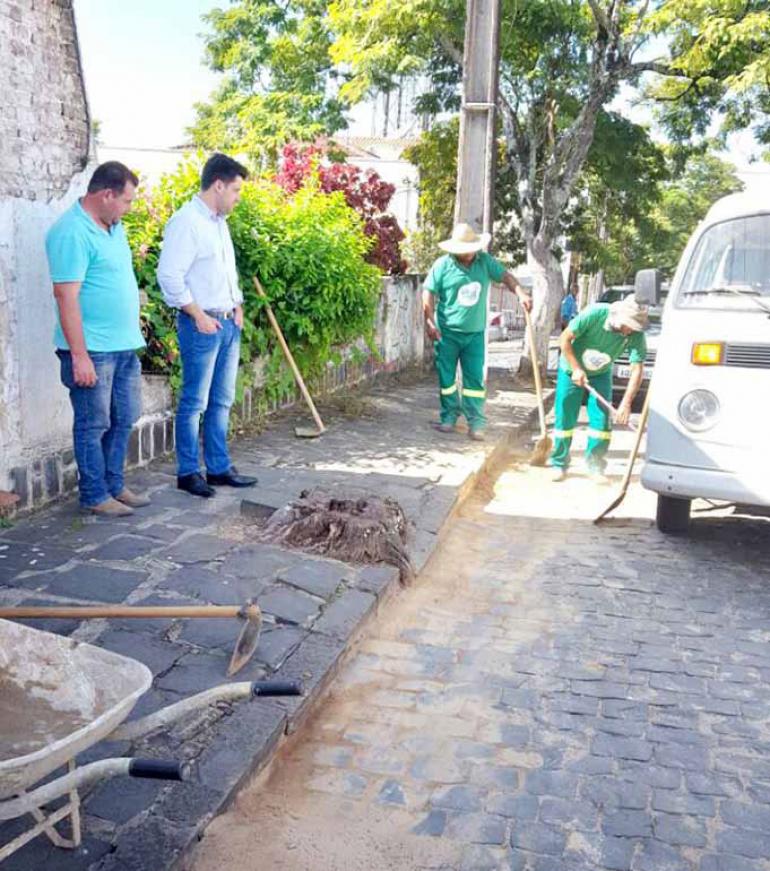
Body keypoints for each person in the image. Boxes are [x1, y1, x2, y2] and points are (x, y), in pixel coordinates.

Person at [46, 161, 150, 518]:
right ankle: (94, 493)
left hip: (123, 346)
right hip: (93, 350)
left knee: (125, 417)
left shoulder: (113, 226)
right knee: (93, 424)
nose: (129, 208)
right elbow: (65, 296)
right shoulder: (71, 232)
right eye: (126, 201)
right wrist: (79, 356)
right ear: (106, 195)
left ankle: (114, 484)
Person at [157, 153, 257, 498]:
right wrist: (199, 315)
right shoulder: (186, 222)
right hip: (201, 325)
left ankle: (218, 468)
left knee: (222, 400)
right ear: (218, 185)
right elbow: (169, 276)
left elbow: (225, 272)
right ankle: (188, 473)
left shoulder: (218, 222)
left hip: (228, 323)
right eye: (236, 190)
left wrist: (239, 304)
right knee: (194, 403)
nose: (238, 197)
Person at [423, 223, 532, 441]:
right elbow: (428, 292)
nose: (466, 253)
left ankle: (476, 422)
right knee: (447, 380)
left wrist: (520, 292)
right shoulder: (443, 265)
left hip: (474, 335)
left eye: (469, 248)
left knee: (474, 381)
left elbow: (506, 277)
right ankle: (449, 417)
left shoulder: (485, 262)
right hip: (447, 333)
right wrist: (429, 321)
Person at [550, 296, 648, 482]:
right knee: (565, 416)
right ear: (619, 317)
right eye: (629, 325)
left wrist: (626, 404)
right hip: (571, 369)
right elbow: (564, 339)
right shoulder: (594, 314)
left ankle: (594, 465)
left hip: (601, 373)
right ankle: (559, 463)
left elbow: (637, 369)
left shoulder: (635, 334)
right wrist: (576, 369)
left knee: (601, 421)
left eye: (635, 327)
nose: (631, 330)